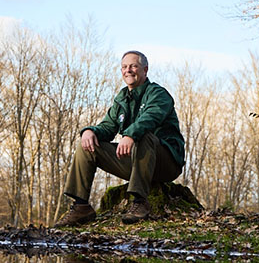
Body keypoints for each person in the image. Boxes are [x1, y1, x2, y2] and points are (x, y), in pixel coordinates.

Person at [54, 50, 185, 227]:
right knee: (88, 145)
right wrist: (89, 131)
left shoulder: (158, 94)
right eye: (124, 67)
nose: (128, 70)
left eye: (133, 66)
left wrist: (130, 134)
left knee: (144, 136)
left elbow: (151, 118)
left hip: (165, 162)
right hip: (136, 162)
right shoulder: (122, 98)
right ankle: (81, 207)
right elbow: (107, 127)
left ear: (145, 70)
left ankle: (140, 202)